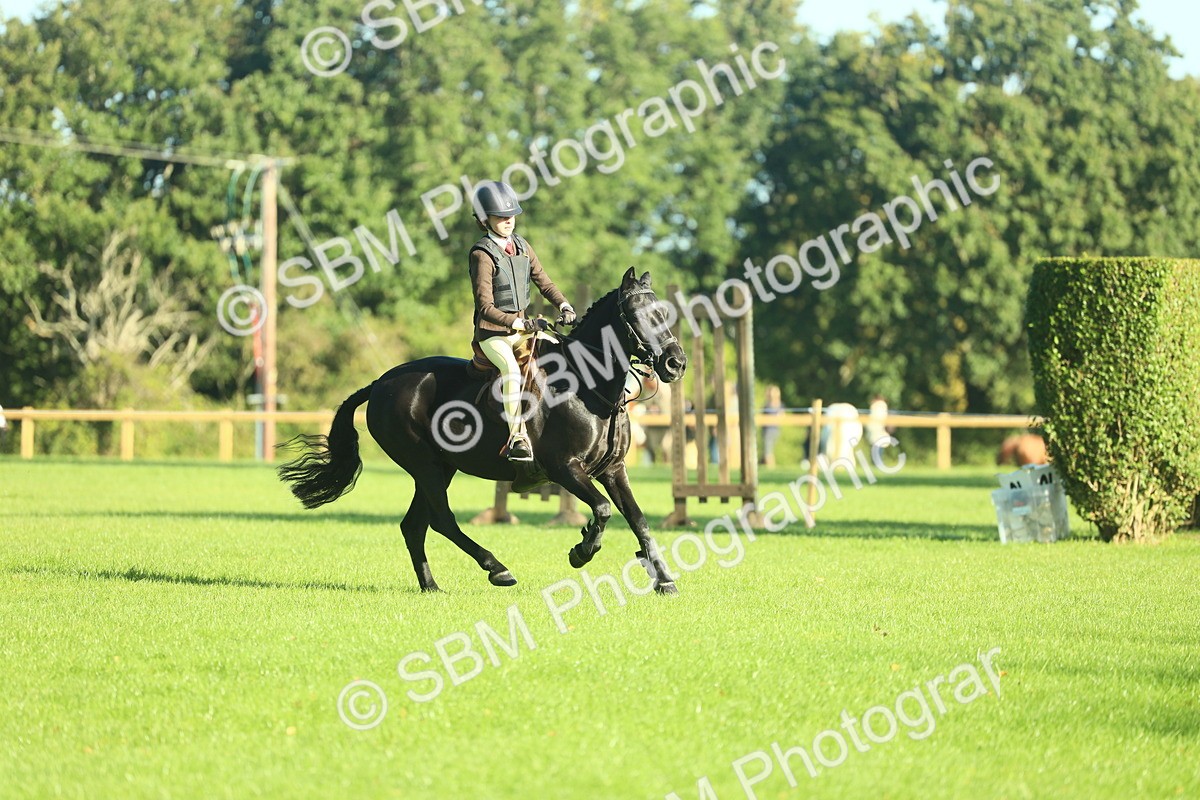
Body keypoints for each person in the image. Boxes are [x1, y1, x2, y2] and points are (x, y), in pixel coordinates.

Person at [468, 180, 576, 462]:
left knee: (561, 350)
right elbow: (485, 307)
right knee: (513, 373)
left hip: (521, 328)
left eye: (511, 215)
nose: (508, 221)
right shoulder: (482, 254)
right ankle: (518, 438)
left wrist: (564, 304)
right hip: (493, 334)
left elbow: (543, 281)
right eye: (501, 217)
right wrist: (519, 325)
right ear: (484, 219)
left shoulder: (522, 246)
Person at [761, 385, 783, 467]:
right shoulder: (768, 405)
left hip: (773, 430)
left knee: (769, 451)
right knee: (768, 451)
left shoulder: (777, 405)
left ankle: (771, 467)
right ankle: (770, 466)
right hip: (769, 430)